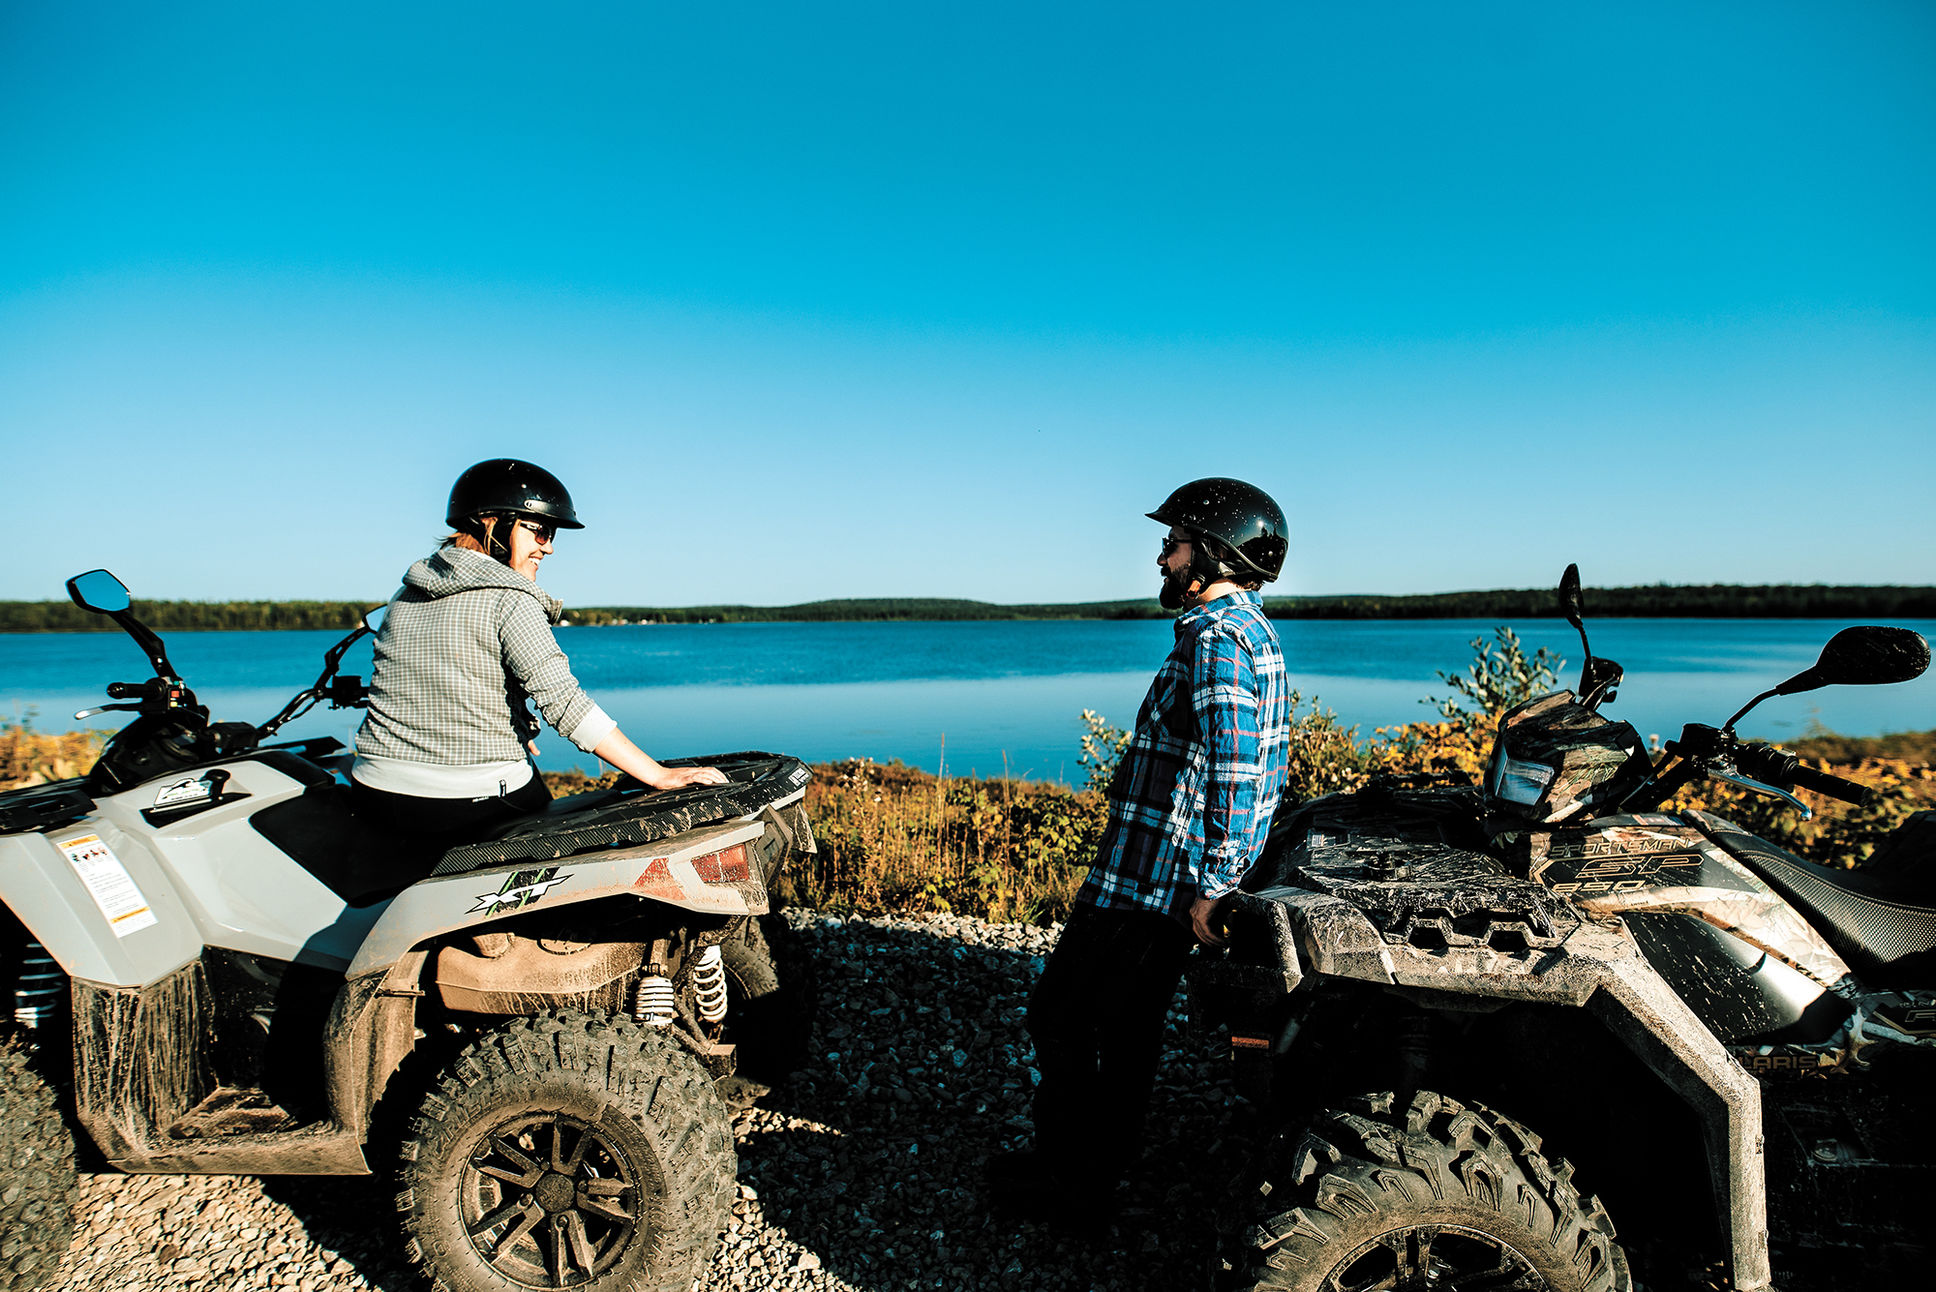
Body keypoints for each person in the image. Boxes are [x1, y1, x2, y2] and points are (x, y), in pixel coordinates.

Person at [986, 477, 1292, 1226]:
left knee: (1062, 1020)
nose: (1162, 557)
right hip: (1158, 881)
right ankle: (1093, 1172)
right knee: (1123, 1034)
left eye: (1175, 543)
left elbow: (1235, 766)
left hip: (1153, 886)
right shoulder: (1249, 634)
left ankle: (1072, 1184)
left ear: (1214, 555)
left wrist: (1215, 886)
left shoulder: (1219, 644)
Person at [350, 458, 725, 846]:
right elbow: (565, 704)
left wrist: (507, 723)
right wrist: (658, 775)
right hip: (465, 800)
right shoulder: (510, 599)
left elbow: (438, 682)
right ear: (492, 523)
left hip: (375, 787)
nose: (548, 548)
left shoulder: (406, 594)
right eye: (540, 531)